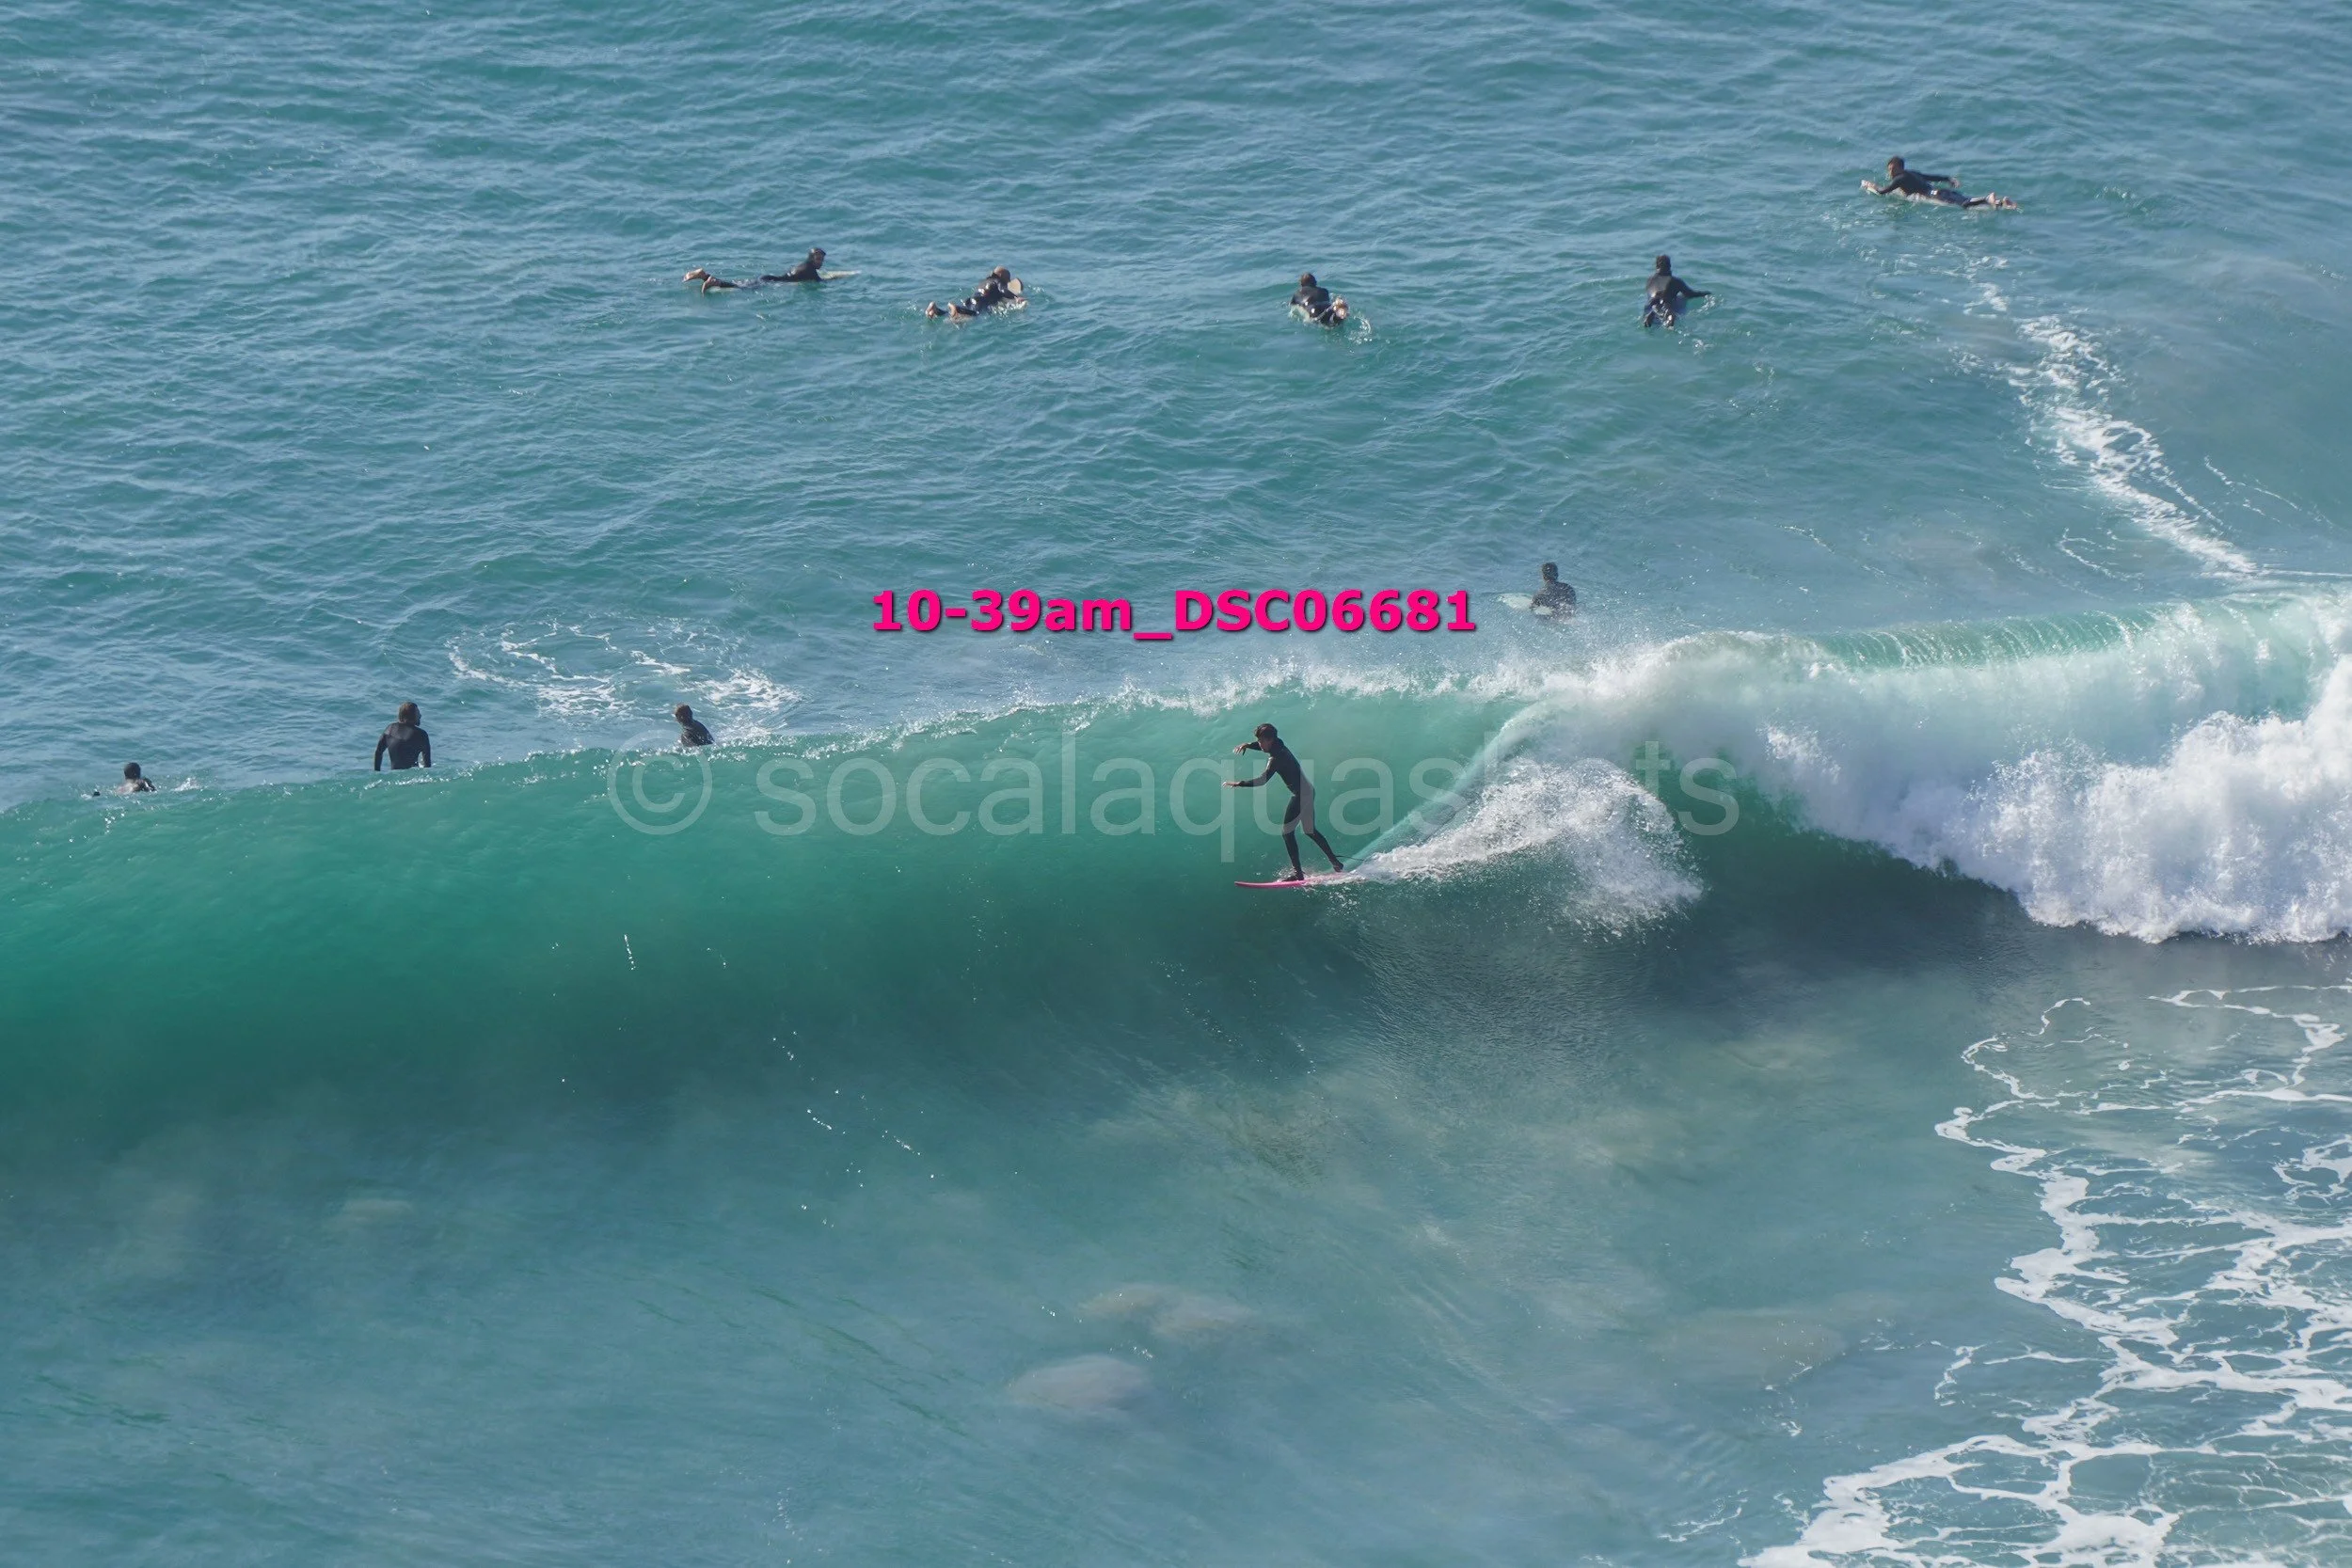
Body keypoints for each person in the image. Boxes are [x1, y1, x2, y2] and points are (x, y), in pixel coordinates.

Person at [1226, 722, 1344, 882]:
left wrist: (1239, 783)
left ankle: (1298, 874)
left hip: (1301, 795)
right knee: (1310, 831)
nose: (1259, 744)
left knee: (1287, 833)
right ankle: (1336, 863)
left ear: (1270, 740)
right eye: (1258, 741)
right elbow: (1263, 747)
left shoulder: (1275, 759)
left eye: (1261, 741)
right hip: (1308, 791)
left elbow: (1262, 780)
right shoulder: (1279, 745)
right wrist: (1248, 745)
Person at [1863, 157, 2015, 210]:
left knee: (1964, 205)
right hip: (1940, 191)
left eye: (1893, 169)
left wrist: (1871, 186)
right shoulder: (1911, 173)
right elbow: (1931, 177)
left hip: (1935, 196)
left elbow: (1883, 192)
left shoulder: (1899, 179)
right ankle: (2001, 203)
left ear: (1900, 168)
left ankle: (1988, 199)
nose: (1891, 172)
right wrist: (1948, 179)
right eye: (1889, 169)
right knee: (1966, 201)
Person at [926, 266, 1025, 319]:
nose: (1008, 282)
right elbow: (1003, 290)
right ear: (1001, 276)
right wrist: (1015, 298)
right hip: (980, 303)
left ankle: (936, 309)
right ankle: (955, 307)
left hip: (971, 300)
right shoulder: (997, 281)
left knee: (953, 314)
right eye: (1007, 279)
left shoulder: (984, 282)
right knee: (975, 314)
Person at [1644, 255, 1709, 328]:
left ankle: (1652, 313)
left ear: (1656, 266)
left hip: (1650, 306)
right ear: (1669, 266)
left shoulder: (1650, 280)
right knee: (1680, 300)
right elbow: (1690, 294)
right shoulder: (1675, 281)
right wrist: (1705, 293)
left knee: (1656, 307)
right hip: (1667, 304)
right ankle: (1670, 316)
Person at [373, 702, 432, 771]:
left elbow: (378, 753)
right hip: (412, 775)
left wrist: (377, 772)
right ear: (411, 716)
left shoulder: (390, 729)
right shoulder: (421, 734)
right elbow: (427, 765)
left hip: (394, 775)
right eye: (418, 713)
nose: (420, 716)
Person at [761, 247, 827, 283]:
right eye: (818, 259)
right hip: (776, 282)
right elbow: (821, 282)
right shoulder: (810, 270)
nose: (820, 262)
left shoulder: (805, 265)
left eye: (822, 259)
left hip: (770, 278)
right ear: (811, 258)